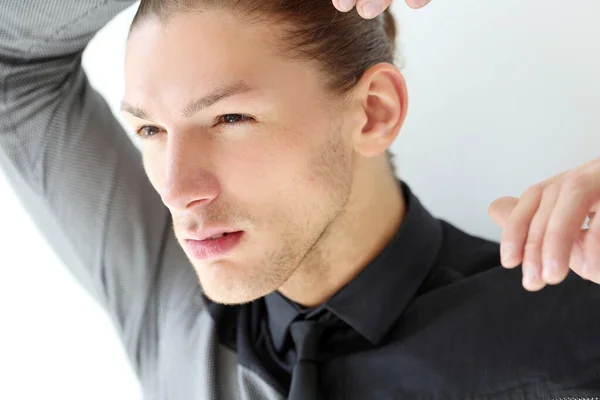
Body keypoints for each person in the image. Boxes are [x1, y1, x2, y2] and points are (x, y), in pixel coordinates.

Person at [1, 1, 599, 399]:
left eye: (229, 117)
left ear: (374, 112)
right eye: (151, 131)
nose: (178, 193)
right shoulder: (172, 296)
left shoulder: (573, 327)